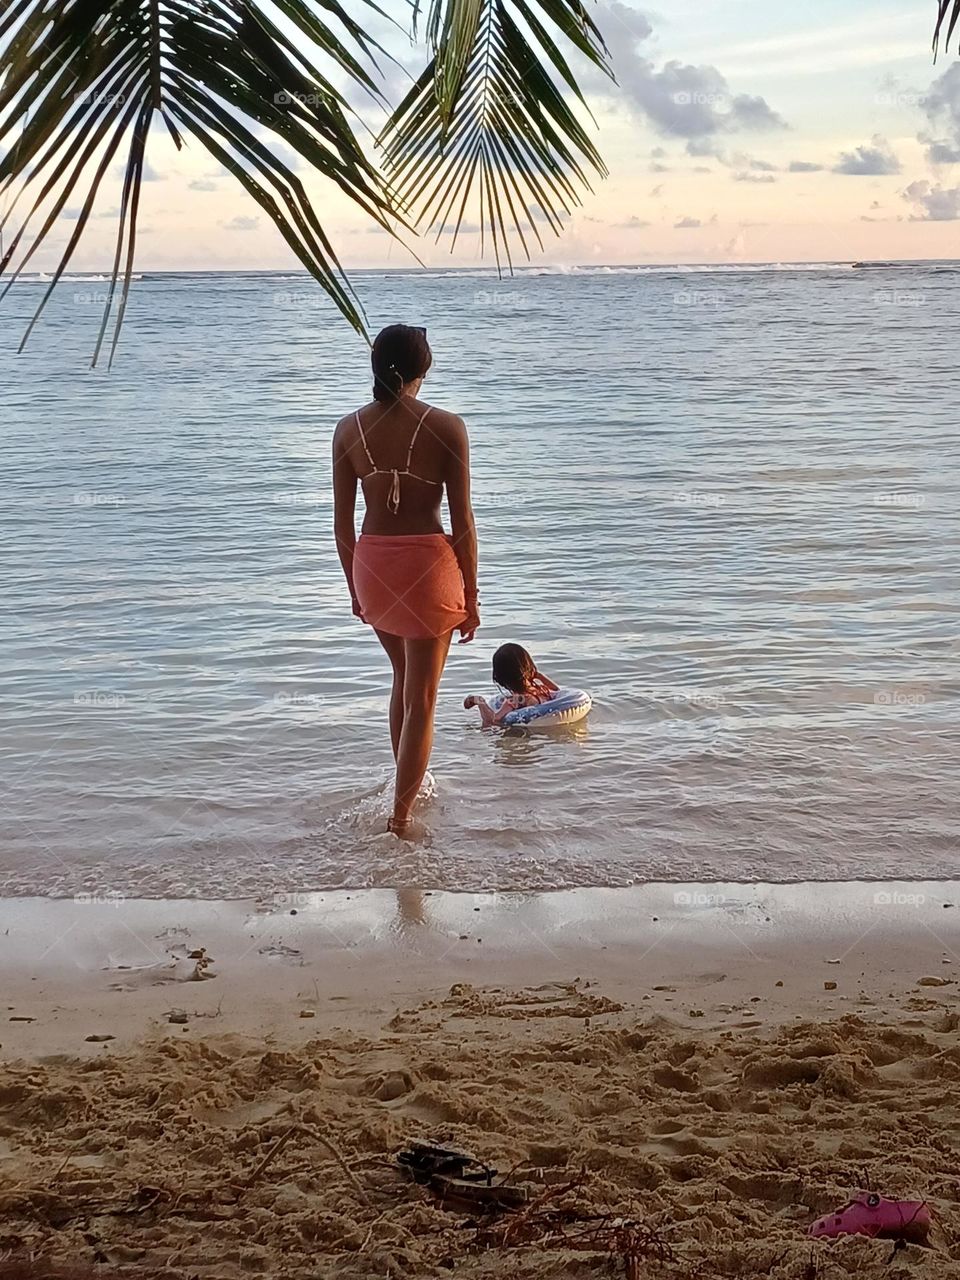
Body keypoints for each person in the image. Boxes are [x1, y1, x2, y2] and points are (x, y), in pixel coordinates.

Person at [333, 324, 480, 837]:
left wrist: (355, 586)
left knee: (403, 680)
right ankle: (401, 816)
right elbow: (463, 522)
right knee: (423, 696)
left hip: (372, 564)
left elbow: (342, 525)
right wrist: (473, 594)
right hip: (426, 567)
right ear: (424, 370)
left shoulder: (347, 429)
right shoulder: (448, 427)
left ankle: (407, 787)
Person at [464, 643, 559, 727]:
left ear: (501, 677)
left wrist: (481, 702)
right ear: (528, 664)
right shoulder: (539, 690)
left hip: (523, 732)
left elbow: (493, 720)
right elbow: (556, 690)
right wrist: (539, 676)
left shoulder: (517, 698)